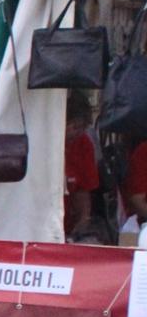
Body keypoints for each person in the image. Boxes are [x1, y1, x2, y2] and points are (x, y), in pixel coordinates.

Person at [63, 90, 100, 241]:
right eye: (74, 126)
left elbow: (83, 190)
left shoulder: (83, 143)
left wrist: (83, 220)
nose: (77, 132)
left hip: (68, 230)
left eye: (82, 127)